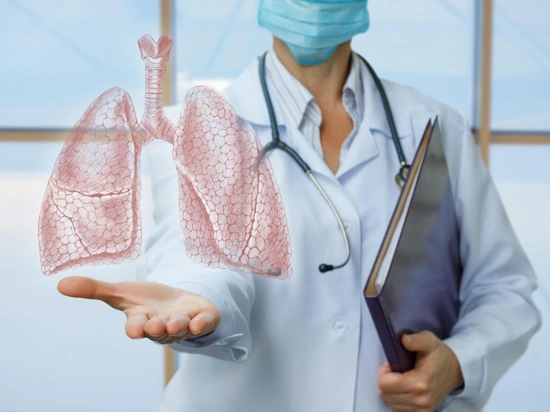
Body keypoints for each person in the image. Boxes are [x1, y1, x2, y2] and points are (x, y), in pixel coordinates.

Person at [58, 1, 542, 411]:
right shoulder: (196, 130)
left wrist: (459, 362)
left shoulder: (436, 127)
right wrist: (195, 300)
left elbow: (503, 288)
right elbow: (198, 259)